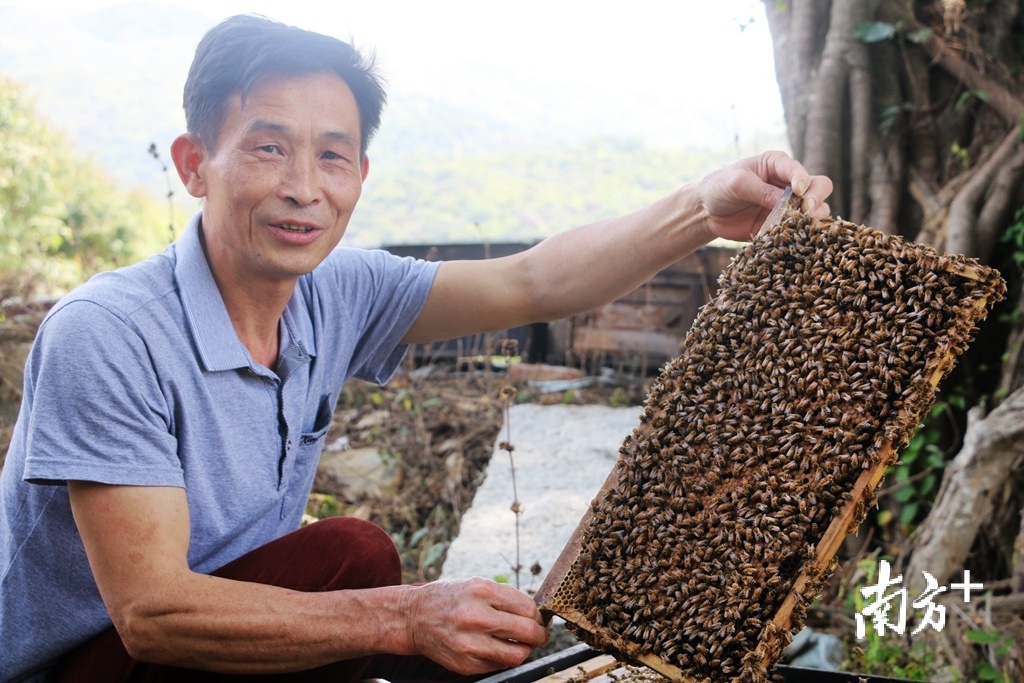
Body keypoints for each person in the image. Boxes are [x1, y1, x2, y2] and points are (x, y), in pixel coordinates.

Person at [0, 13, 833, 683]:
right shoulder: (109, 334)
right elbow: (151, 610)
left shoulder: (335, 293)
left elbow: (535, 283)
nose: (303, 185)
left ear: (360, 173)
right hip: (89, 659)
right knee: (359, 562)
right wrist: (405, 615)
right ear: (193, 164)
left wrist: (702, 209)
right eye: (267, 146)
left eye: (332, 155)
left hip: (209, 632)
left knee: (367, 563)